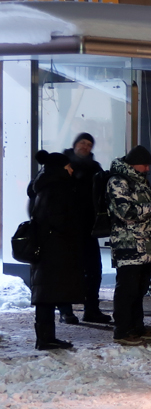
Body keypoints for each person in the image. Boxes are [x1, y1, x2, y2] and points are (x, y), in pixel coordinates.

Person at [29, 151, 85, 350]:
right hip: (56, 248)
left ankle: (45, 337)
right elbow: (60, 219)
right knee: (47, 295)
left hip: (48, 247)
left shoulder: (44, 186)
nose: (71, 170)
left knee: (46, 294)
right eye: (68, 166)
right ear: (61, 169)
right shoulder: (58, 188)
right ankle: (45, 339)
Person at [107, 146, 151, 345]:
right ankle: (122, 330)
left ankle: (137, 327)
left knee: (139, 289)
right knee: (127, 289)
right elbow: (126, 212)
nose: (147, 169)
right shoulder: (118, 182)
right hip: (128, 245)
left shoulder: (139, 181)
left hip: (144, 245)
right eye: (144, 165)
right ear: (133, 163)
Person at [63, 132, 111, 324]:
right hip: (66, 229)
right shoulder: (62, 165)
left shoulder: (94, 169)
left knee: (93, 270)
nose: (85, 147)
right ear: (75, 144)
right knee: (68, 271)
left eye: (89, 144)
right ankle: (66, 310)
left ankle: (91, 309)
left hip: (88, 229)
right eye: (82, 143)